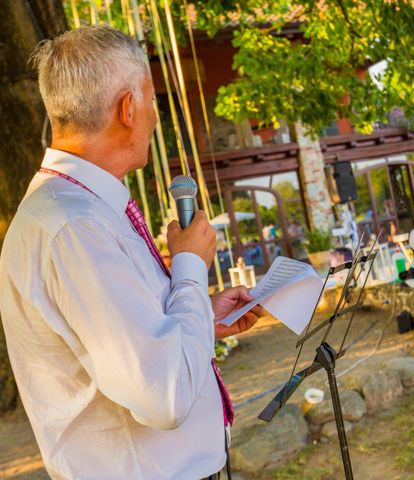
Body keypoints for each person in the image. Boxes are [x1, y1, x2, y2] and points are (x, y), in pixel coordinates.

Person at [0, 26, 264, 479]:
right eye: (153, 100)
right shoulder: (74, 226)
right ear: (128, 108)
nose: (155, 116)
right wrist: (189, 266)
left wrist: (198, 314)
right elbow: (164, 394)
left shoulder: (81, 209)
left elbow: (131, 336)